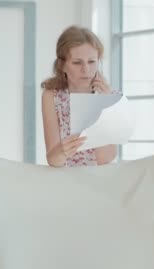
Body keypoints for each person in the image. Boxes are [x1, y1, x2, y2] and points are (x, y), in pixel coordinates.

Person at [41, 25, 118, 167]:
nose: (86, 70)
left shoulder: (110, 96)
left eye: (92, 61)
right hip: (67, 179)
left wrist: (102, 106)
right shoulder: (52, 96)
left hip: (101, 178)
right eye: (77, 62)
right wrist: (62, 152)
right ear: (62, 65)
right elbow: (53, 160)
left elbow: (105, 159)